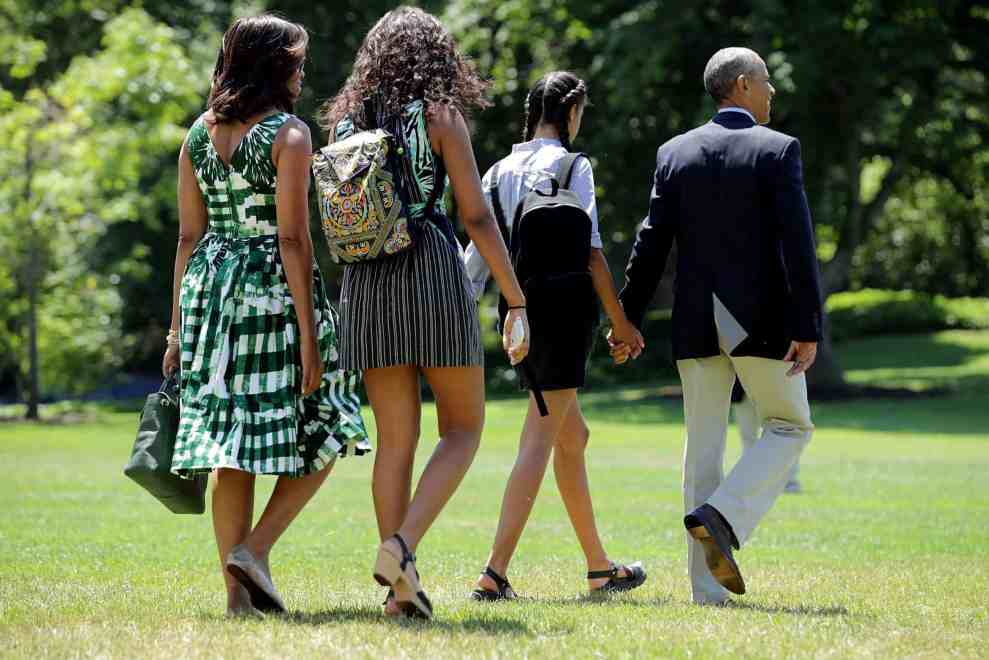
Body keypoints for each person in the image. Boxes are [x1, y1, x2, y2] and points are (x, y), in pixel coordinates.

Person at [318, 6, 529, 620]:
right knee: (462, 428)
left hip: (365, 280)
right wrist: (515, 296)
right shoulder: (440, 116)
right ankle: (400, 547)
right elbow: (477, 216)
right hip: (429, 271)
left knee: (395, 441)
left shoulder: (342, 123)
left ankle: (399, 592)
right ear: (436, 55)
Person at [162, 14, 370, 618]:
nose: (303, 73)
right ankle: (255, 550)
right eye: (297, 62)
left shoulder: (198, 135)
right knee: (332, 423)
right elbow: (293, 241)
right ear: (273, 66)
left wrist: (177, 329)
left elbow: (186, 237)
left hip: (208, 290)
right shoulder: (290, 136)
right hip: (268, 294)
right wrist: (310, 336)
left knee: (230, 443)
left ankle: (238, 601)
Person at [613, 47, 822, 605]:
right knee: (791, 426)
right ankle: (722, 518)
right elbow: (799, 247)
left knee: (701, 448)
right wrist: (808, 325)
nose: (773, 93)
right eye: (767, 83)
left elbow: (649, 242)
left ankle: (707, 592)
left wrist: (626, 317)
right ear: (742, 85)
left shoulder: (674, 152)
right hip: (761, 321)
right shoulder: (779, 150)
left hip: (694, 324)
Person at [463, 72, 646, 600]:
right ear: (570, 111)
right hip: (563, 316)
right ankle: (493, 574)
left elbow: (477, 257)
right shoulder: (573, 165)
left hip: (517, 316)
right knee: (540, 437)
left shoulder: (497, 172)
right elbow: (590, 252)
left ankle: (598, 567)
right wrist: (621, 322)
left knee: (572, 435)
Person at [732, 381, 801, 493]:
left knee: (783, 432)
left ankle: (789, 480)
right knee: (748, 437)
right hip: (742, 389)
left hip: (774, 384)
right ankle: (750, 479)